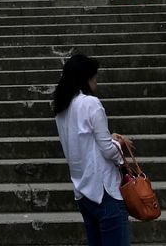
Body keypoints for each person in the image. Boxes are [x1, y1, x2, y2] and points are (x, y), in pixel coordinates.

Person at [54, 54, 134, 246]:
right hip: (105, 190)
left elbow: (82, 142)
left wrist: (110, 138)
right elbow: (108, 151)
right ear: (86, 78)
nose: (96, 80)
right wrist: (120, 144)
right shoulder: (91, 103)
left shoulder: (61, 110)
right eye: (94, 76)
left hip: (83, 192)